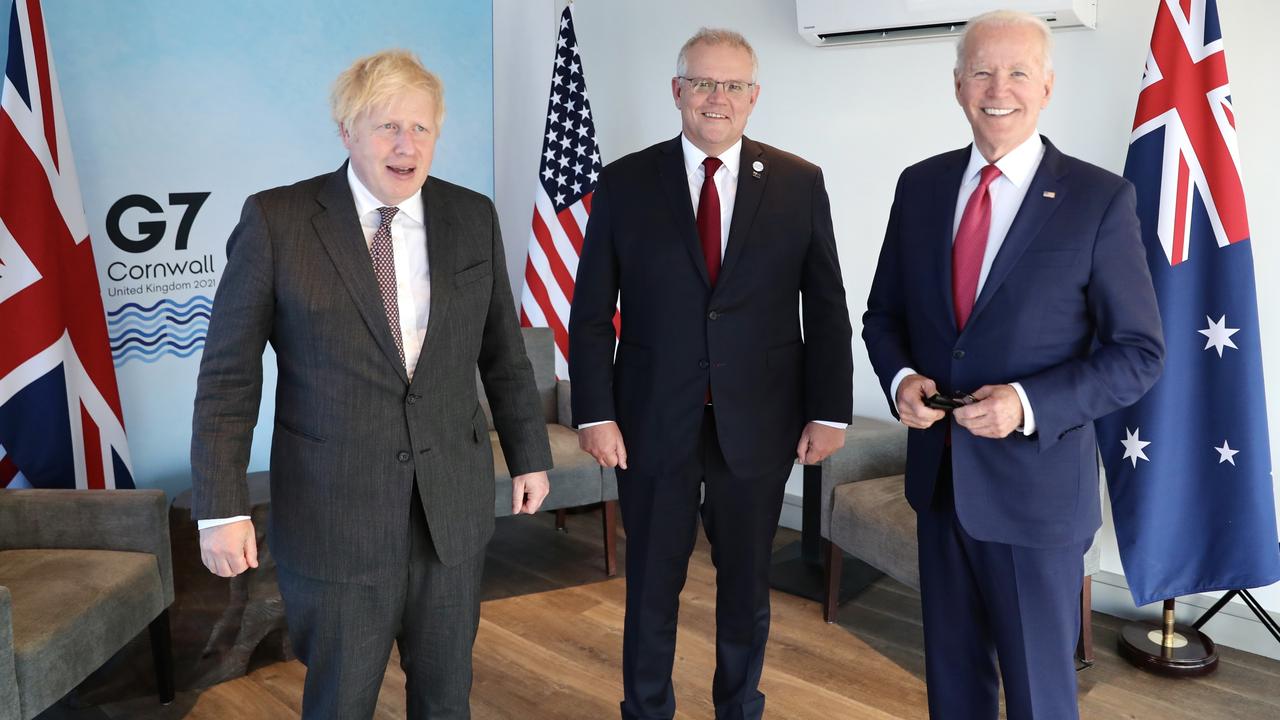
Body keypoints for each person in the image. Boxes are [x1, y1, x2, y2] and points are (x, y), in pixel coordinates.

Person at [190, 49, 552, 720]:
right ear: (346, 130)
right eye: (387, 126)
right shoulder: (278, 221)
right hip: (335, 520)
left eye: (420, 128)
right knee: (339, 703)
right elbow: (227, 376)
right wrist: (222, 505)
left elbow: (503, 352)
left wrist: (530, 453)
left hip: (451, 513)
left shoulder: (473, 217)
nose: (405, 145)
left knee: (446, 700)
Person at [862, 11, 1165, 719]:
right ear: (959, 84)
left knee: (1039, 696)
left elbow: (1139, 354)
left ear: (1047, 86)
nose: (999, 88)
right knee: (954, 688)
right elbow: (884, 317)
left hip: (1035, 500)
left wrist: (1026, 403)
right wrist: (902, 379)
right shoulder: (921, 186)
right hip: (940, 488)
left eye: (1018, 71)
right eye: (982, 71)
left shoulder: (1099, 200)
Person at [568, 27, 853, 720]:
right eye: (701, 82)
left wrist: (830, 410)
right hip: (648, 422)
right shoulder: (625, 182)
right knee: (652, 583)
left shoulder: (797, 182)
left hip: (759, 420)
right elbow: (590, 310)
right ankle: (646, 708)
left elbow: (826, 304)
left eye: (731, 85)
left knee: (746, 586)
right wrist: (595, 412)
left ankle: (738, 706)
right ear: (677, 91)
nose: (715, 98)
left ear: (753, 97)